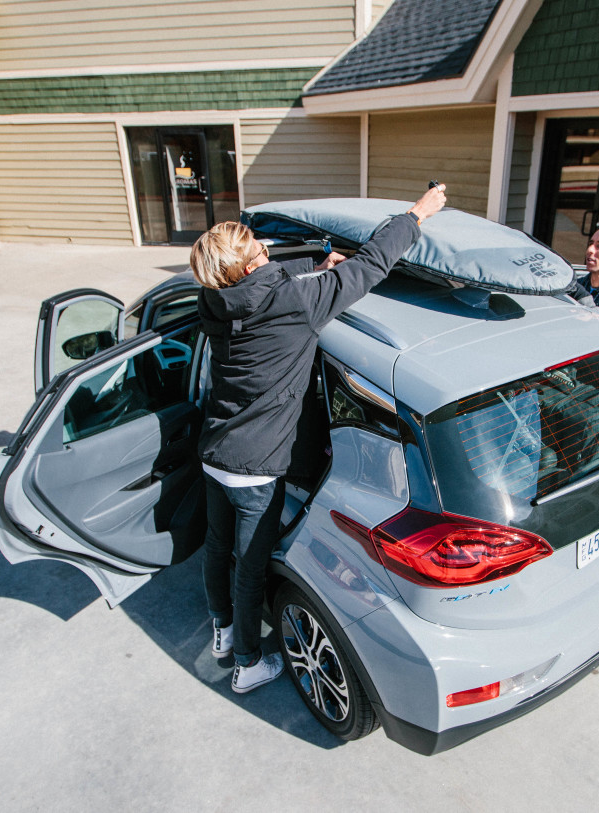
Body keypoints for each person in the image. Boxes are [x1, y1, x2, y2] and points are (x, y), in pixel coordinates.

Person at [190, 184, 448, 693]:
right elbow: (372, 265)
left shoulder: (212, 301)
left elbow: (266, 288)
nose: (268, 254)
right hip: (254, 469)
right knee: (251, 568)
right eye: (261, 251)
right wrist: (418, 214)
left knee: (217, 548)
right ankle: (246, 662)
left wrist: (315, 273)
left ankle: (220, 631)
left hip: (214, 449)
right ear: (246, 267)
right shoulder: (295, 301)